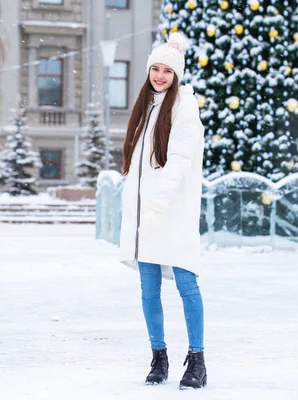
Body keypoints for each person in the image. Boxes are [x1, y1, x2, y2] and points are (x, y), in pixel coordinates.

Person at [119, 32, 207, 390]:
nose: (159, 76)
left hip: (171, 211)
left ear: (176, 75)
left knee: (187, 284)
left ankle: (197, 360)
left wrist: (159, 204)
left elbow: (180, 162)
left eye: (166, 71)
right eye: (154, 69)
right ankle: (159, 356)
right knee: (148, 288)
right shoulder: (145, 106)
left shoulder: (185, 108)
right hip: (145, 215)